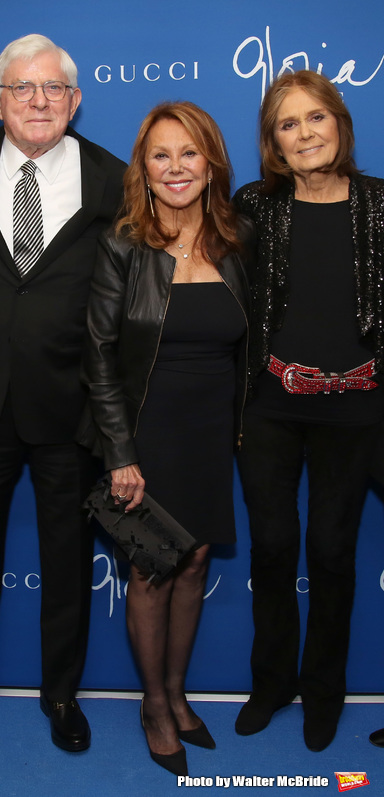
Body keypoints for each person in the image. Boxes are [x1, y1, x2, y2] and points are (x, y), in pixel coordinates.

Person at [0, 33, 125, 752]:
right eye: (23, 87)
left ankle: (61, 696)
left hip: (67, 403)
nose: (39, 100)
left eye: (53, 89)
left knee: (68, 562)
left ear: (74, 101)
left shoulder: (111, 177)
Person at [77, 101, 251, 775]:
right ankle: (153, 703)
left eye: (189, 153)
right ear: (142, 169)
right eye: (160, 155)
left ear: (210, 162)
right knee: (151, 568)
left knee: (198, 559)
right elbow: (97, 350)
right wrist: (121, 452)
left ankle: (178, 693)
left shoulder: (235, 239)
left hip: (211, 430)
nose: (176, 167)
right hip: (146, 430)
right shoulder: (124, 242)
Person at [233, 70, 384, 752]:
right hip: (269, 406)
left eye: (315, 118)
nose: (304, 134)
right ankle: (272, 685)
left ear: (339, 124)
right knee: (271, 548)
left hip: (357, 410)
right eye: (287, 125)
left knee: (331, 551)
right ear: (273, 142)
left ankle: (324, 691)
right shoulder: (254, 205)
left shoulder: (381, 203)